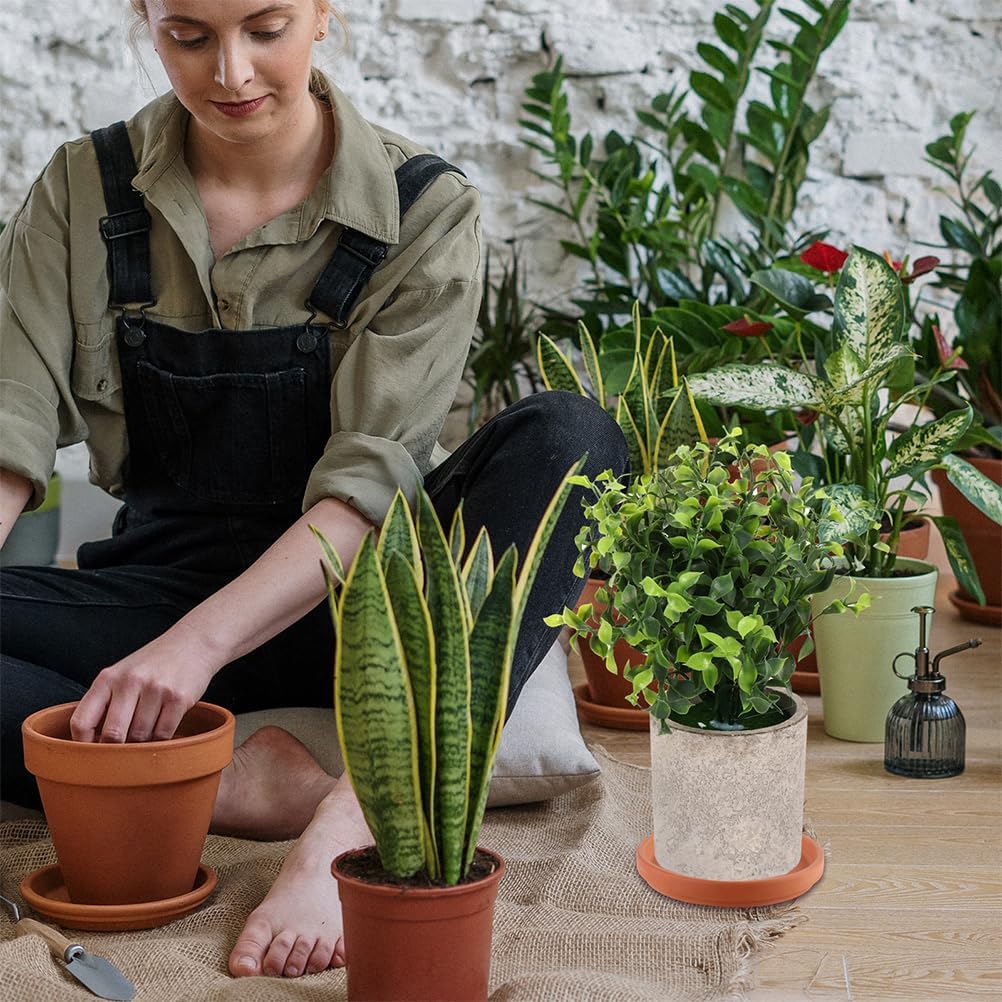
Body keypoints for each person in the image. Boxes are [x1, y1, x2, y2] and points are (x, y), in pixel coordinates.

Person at [0, 0, 627, 981]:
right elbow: (11, 428)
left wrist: (194, 651)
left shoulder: (423, 208)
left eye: (266, 28)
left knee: (575, 435)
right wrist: (176, 644)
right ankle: (230, 788)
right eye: (188, 36)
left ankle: (359, 808)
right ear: (145, 18)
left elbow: (365, 490)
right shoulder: (83, 188)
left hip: (373, 606)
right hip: (161, 593)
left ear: (323, 14)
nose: (231, 73)